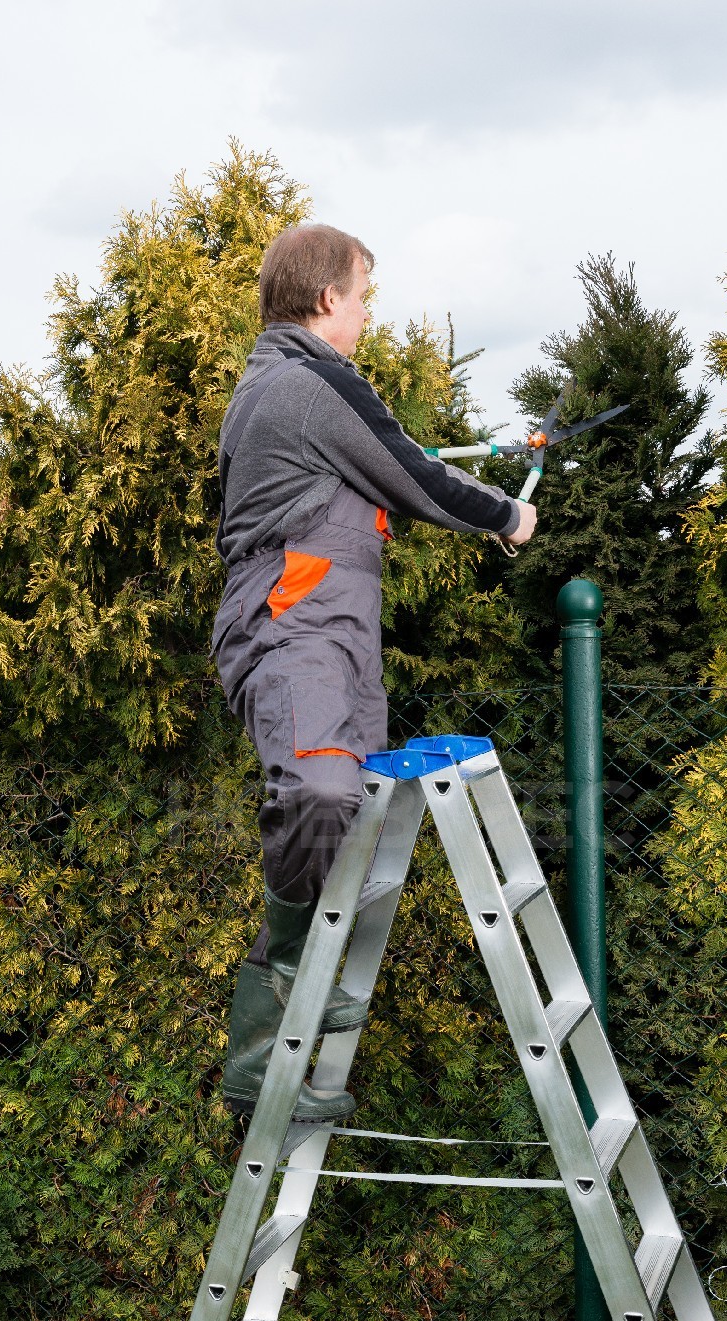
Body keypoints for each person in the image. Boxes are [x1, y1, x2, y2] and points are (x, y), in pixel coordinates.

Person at [211, 223, 537, 1121]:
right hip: (294, 624)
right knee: (320, 788)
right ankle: (281, 993)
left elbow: (389, 462)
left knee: (349, 809)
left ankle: (278, 1050)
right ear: (327, 299)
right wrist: (509, 515)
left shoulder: (285, 386)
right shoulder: (307, 382)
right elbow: (411, 474)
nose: (364, 315)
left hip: (338, 632)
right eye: (361, 297)